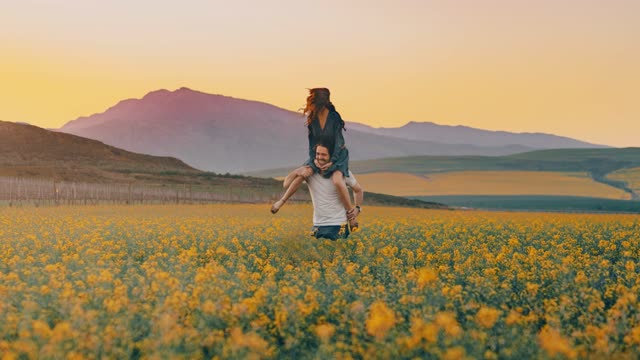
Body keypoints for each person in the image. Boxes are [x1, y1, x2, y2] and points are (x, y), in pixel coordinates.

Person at [271, 88, 352, 215]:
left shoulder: (334, 117)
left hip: (337, 155)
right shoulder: (312, 118)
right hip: (318, 155)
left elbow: (339, 142)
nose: (311, 106)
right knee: (304, 173)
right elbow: (312, 142)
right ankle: (282, 201)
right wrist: (314, 159)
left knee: (337, 181)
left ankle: (350, 214)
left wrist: (333, 161)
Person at [306, 144, 363, 241]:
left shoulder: (342, 172)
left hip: (338, 225)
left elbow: (358, 190)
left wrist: (357, 208)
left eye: (324, 155)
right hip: (318, 225)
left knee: (337, 255)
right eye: (318, 154)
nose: (320, 157)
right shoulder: (310, 172)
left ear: (331, 157)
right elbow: (287, 183)